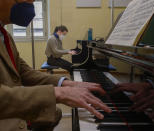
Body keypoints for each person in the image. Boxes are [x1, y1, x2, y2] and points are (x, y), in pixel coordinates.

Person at [0, 0, 111, 131]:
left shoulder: (5, 35)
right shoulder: (52, 38)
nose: (32, 2)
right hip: (52, 60)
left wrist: (64, 83)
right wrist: (56, 92)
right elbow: (57, 52)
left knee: (55, 112)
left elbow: (24, 72)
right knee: (69, 67)